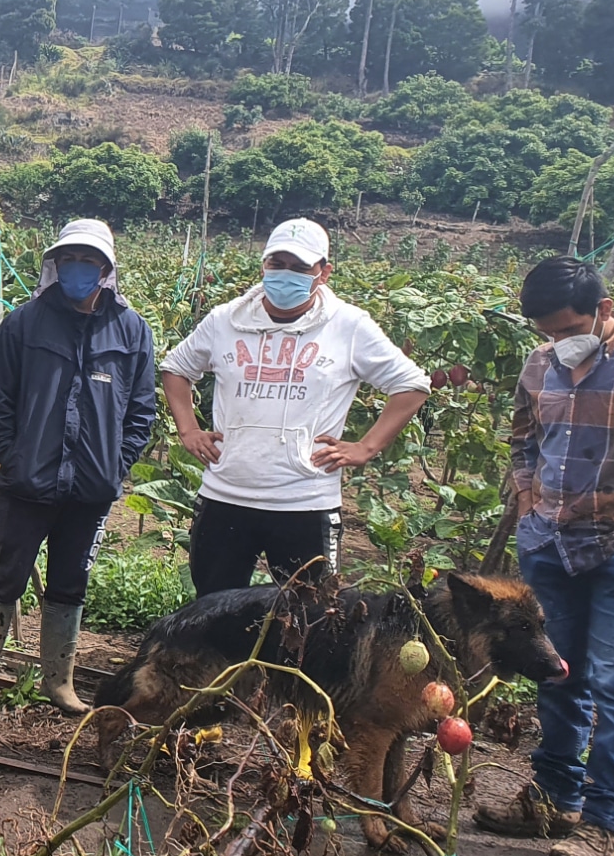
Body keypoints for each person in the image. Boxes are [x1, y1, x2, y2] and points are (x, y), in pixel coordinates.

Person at [474, 255, 614, 856]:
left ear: (603, 311)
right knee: (555, 673)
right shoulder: (540, 364)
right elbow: (523, 437)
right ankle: (554, 799)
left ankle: (604, 824)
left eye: (566, 330)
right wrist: (528, 497)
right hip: (551, 544)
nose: (557, 343)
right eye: (546, 333)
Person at [160, 218, 428, 597]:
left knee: (310, 617)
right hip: (226, 495)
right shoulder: (226, 320)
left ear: (324, 272)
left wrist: (366, 447)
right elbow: (176, 368)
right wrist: (188, 430)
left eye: (300, 267)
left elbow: (412, 385)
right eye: (278, 264)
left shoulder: (348, 326)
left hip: (304, 501)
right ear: (264, 265)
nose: (286, 275)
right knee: (213, 610)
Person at [0, 220, 157, 717]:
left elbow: (141, 408)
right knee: (6, 577)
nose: (78, 269)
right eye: (69, 259)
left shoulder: (131, 329)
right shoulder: (24, 323)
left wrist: (117, 460)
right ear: (55, 264)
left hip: (90, 489)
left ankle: (60, 683)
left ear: (105, 269)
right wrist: (12, 452)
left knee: (70, 582)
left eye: (88, 261)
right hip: (27, 482)